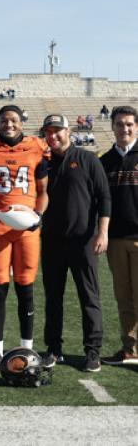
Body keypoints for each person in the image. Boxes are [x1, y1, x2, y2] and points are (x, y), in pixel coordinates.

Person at [0, 104, 49, 375]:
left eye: (14, 120)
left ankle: (26, 348)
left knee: (26, 287)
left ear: (22, 122)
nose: (9, 125)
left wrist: (39, 215)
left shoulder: (36, 147)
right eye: (4, 120)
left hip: (28, 229)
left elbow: (43, 191)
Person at [41, 114, 110, 372]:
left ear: (68, 131)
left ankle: (93, 352)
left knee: (89, 297)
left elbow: (104, 198)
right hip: (51, 242)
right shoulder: (42, 164)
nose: (54, 136)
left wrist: (102, 232)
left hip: (84, 241)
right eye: (49, 131)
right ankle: (53, 349)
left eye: (58, 131)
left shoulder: (88, 159)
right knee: (52, 298)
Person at [100, 106, 138, 366]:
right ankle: (130, 349)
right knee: (123, 297)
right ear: (112, 127)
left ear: (136, 127)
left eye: (129, 124)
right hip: (115, 239)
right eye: (119, 124)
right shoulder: (105, 161)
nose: (124, 129)